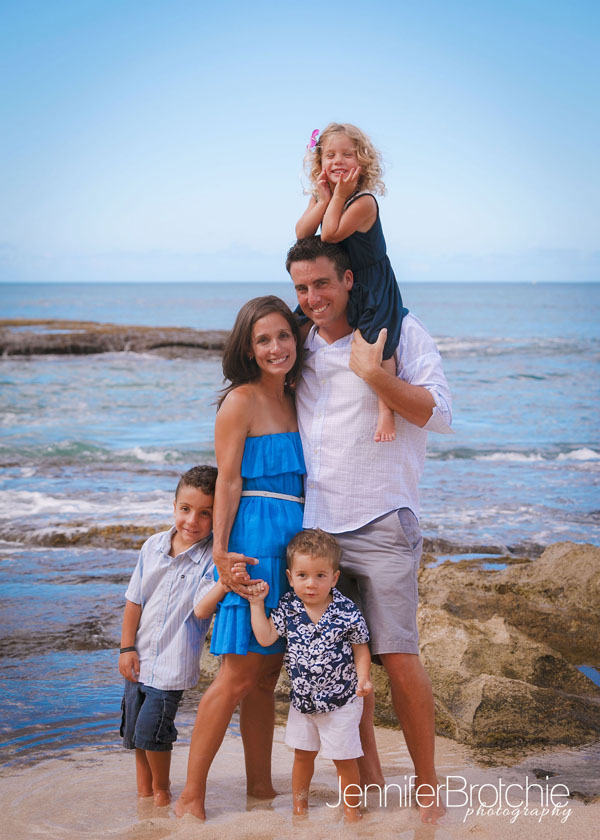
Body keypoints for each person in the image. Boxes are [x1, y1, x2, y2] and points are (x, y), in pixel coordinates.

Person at [286, 236, 453, 824]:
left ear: (350, 279)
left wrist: (374, 376)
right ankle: (372, 774)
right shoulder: (298, 343)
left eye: (322, 284)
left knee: (398, 654)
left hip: (381, 515)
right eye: (302, 288)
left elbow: (440, 412)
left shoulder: (401, 331)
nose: (312, 298)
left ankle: (428, 784)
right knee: (335, 658)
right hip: (316, 530)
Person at [175, 296, 306, 820]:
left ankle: (259, 787)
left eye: (283, 336)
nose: (276, 348)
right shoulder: (241, 401)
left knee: (267, 678)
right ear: (248, 349)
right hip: (252, 545)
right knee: (235, 676)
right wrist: (223, 553)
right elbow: (227, 479)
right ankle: (190, 797)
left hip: (292, 544)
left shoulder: (299, 397)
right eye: (263, 340)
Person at [249, 528, 372, 822]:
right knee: (303, 755)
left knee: (344, 759)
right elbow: (266, 637)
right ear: (291, 577)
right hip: (302, 703)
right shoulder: (289, 607)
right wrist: (256, 605)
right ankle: (299, 808)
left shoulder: (346, 611)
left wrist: (363, 678)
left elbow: (361, 649)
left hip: (342, 700)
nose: (311, 584)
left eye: (320, 575)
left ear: (334, 578)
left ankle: (352, 813)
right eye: (302, 575)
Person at [295, 122, 407, 443]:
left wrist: (339, 196)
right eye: (330, 155)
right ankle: (290, 381)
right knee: (298, 320)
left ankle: (386, 408)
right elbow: (303, 232)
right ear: (320, 163)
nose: (338, 160)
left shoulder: (363, 201)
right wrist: (323, 199)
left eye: (347, 153)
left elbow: (330, 234)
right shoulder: (324, 195)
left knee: (379, 341)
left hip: (371, 281)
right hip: (341, 282)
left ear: (363, 161)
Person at [118, 464, 218, 806]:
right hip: (139, 660)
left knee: (153, 735)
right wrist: (126, 647)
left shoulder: (210, 559)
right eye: (186, 510)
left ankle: (162, 791)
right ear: (174, 506)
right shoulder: (153, 547)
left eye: (206, 513)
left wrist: (224, 582)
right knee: (134, 734)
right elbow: (134, 601)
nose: (192, 521)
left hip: (170, 670)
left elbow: (203, 609)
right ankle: (143, 792)